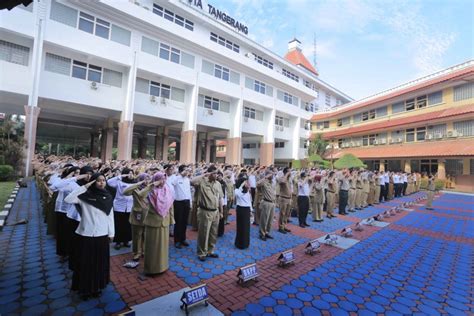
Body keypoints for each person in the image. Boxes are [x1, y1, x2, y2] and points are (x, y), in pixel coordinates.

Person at [64, 173, 114, 300]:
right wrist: (85, 186)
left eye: (104, 180)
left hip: (102, 235)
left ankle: (96, 287)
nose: (102, 183)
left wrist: (111, 233)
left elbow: (110, 216)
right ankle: (84, 289)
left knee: (99, 264)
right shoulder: (84, 196)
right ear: (93, 182)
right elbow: (68, 199)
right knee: (86, 263)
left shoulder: (107, 197)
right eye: (98, 181)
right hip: (86, 234)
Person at [143, 172, 174, 275]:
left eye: (164, 179)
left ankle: (163, 267)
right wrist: (152, 185)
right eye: (161, 179)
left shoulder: (167, 190)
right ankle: (151, 269)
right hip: (153, 222)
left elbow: (170, 207)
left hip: (164, 222)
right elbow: (140, 195)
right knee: (153, 247)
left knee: (163, 247)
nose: (163, 181)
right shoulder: (151, 190)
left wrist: (171, 221)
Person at [191, 165, 223, 261]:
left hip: (215, 211)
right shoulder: (202, 182)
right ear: (209, 173)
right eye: (214, 173)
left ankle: (210, 250)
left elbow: (220, 198)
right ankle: (202, 252)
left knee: (213, 233)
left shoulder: (218, 184)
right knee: (204, 233)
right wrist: (204, 174)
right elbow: (192, 181)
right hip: (205, 211)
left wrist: (221, 211)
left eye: (217, 173)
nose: (216, 175)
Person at [123, 173, 151, 261]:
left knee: (146, 234)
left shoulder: (150, 188)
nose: (147, 181)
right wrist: (138, 183)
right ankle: (136, 252)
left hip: (149, 214)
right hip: (137, 214)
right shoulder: (135, 189)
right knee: (137, 235)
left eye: (148, 178)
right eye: (145, 179)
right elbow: (125, 192)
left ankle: (145, 251)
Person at [107, 168, 135, 250]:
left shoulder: (134, 182)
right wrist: (121, 176)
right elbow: (109, 182)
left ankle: (126, 240)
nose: (130, 175)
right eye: (129, 173)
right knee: (119, 224)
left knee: (127, 225)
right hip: (119, 206)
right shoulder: (119, 182)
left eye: (132, 173)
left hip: (130, 207)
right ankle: (118, 242)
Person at [170, 165, 192, 248]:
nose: (187, 171)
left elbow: (188, 192)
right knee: (178, 222)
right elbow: (172, 183)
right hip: (178, 203)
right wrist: (180, 175)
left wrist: (191, 203)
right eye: (185, 170)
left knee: (184, 222)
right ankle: (177, 240)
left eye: (187, 170)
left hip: (186, 202)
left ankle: (183, 239)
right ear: (181, 171)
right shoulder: (176, 178)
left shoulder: (187, 179)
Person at [234, 174, 252, 248]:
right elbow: (239, 195)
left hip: (246, 209)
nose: (248, 183)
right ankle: (239, 243)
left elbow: (249, 201)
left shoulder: (247, 191)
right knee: (240, 226)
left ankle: (245, 243)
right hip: (241, 209)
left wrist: (251, 210)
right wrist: (242, 186)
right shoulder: (237, 190)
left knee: (246, 227)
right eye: (246, 182)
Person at [257, 170, 276, 240]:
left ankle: (267, 232)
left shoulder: (272, 183)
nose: (272, 176)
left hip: (272, 203)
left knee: (270, 220)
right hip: (266, 202)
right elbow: (257, 184)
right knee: (264, 219)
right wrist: (266, 177)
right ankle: (262, 233)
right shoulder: (264, 182)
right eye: (271, 174)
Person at [277, 167, 292, 234]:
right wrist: (286, 174)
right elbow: (282, 181)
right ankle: (280, 227)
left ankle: (284, 226)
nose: (290, 173)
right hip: (283, 198)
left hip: (288, 199)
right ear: (286, 172)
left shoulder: (288, 180)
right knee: (282, 213)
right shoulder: (282, 178)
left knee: (287, 214)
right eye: (289, 171)